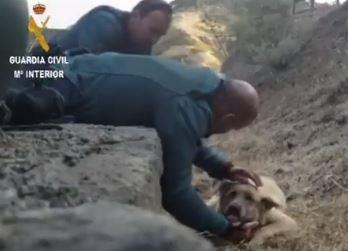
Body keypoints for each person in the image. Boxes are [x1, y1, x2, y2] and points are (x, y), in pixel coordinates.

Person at [1, 52, 261, 242]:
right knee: (19, 110)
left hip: (62, 69)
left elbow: (183, 136)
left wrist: (224, 167)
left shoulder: (204, 84)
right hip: (51, 88)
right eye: (232, 128)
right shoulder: (186, 106)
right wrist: (225, 229)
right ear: (229, 120)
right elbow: (177, 194)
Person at [32, 0, 172, 56]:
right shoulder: (105, 24)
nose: (155, 39)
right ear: (136, 16)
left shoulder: (142, 42)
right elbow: (88, 69)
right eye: (153, 31)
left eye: (160, 35)